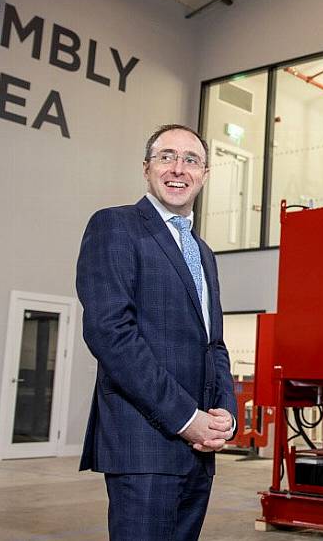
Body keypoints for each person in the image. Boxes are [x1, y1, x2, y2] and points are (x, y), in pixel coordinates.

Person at [76, 124, 236, 540]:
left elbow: (212, 343)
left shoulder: (203, 252)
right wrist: (186, 418)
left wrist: (225, 413)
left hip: (199, 449)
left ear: (205, 173)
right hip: (144, 443)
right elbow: (111, 333)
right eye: (166, 157)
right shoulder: (115, 226)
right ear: (146, 168)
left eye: (191, 160)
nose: (178, 169)